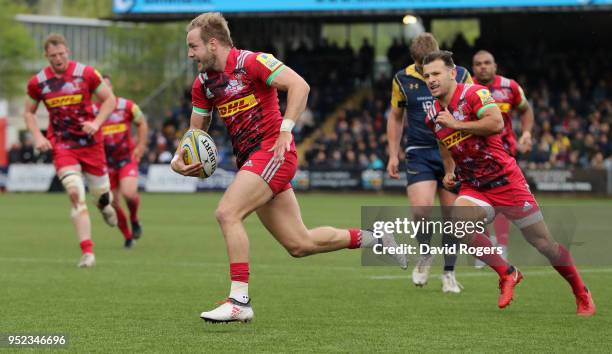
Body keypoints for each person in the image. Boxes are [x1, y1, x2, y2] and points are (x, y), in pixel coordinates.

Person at [171, 12, 406, 323]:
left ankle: (239, 300)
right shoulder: (203, 84)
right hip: (253, 162)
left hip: (273, 152)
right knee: (300, 244)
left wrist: (286, 129)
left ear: (213, 44)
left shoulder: (252, 62)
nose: (190, 54)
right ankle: (375, 238)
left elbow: (300, 86)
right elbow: (195, 134)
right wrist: (180, 159)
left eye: (193, 46)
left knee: (227, 212)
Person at [421, 50, 595, 316]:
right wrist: (449, 169)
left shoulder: (474, 94)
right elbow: (441, 140)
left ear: (452, 73)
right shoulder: (432, 111)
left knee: (544, 244)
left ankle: (581, 293)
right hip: (474, 186)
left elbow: (495, 123)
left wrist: (456, 123)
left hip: (506, 182)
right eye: (426, 76)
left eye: (435, 73)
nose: (431, 79)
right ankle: (508, 273)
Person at [387, 33, 472, 293]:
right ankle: (425, 255)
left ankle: (449, 272)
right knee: (421, 210)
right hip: (419, 151)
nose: (428, 75)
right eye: (421, 67)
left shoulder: (461, 74)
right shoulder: (402, 78)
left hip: (453, 149)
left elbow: (471, 105)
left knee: (452, 216)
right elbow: (395, 116)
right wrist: (392, 153)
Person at [24, 33, 118, 268]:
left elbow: (110, 100)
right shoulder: (38, 82)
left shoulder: (86, 73)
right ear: (46, 56)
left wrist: (96, 123)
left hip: (91, 143)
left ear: (68, 52)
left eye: (61, 54)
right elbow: (28, 112)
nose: (58, 58)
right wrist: (37, 136)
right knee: (75, 193)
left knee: (103, 197)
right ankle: (87, 252)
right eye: (53, 55)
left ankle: (105, 206)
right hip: (63, 145)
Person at [472, 50, 534, 265]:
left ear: (495, 66)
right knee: (477, 200)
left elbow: (526, 110)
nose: (483, 67)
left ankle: (502, 245)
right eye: (478, 64)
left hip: (504, 152)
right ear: (473, 68)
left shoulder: (510, 87)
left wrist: (526, 133)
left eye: (487, 63)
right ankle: (486, 247)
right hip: (475, 156)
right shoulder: (466, 88)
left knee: (501, 202)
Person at [95, 75, 148, 248]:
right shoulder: (92, 110)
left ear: (111, 88)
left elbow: (141, 123)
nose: (104, 90)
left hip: (126, 159)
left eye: (107, 86)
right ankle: (128, 237)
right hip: (105, 164)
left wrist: (140, 145)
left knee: (129, 193)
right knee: (112, 202)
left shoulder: (127, 106)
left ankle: (134, 219)